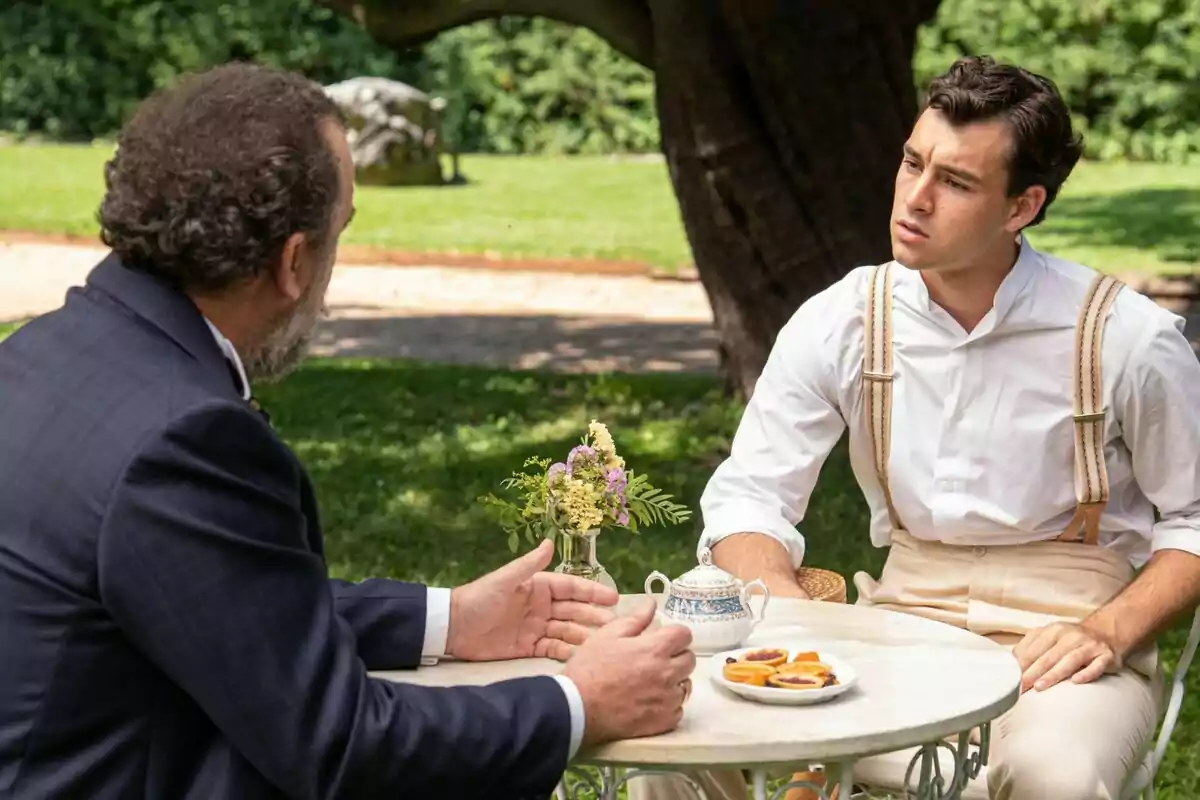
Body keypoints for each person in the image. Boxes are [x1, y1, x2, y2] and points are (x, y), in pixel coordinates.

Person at [0, 63, 697, 800]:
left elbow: (218, 603)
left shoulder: (39, 354)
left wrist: (449, 620)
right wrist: (579, 705)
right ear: (294, 262)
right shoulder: (184, 439)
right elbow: (338, 748)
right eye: (341, 234)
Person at [630, 55, 1200, 800]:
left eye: (956, 182)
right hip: (895, 630)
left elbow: (1192, 519)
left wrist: (1110, 631)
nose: (915, 199)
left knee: (1052, 775)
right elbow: (749, 494)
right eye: (912, 163)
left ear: (1021, 207)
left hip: (1063, 644)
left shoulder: (1124, 336)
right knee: (676, 738)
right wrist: (785, 608)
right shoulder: (846, 319)